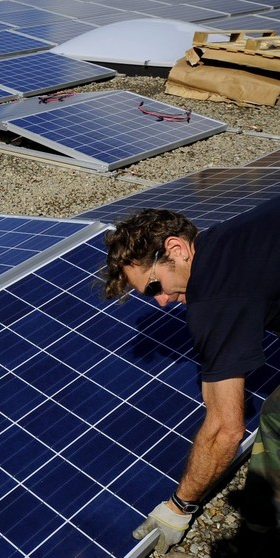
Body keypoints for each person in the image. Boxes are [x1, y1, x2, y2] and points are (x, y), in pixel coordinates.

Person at [102, 199, 280, 555]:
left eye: (154, 287)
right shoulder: (233, 235)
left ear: (177, 248)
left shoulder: (214, 296)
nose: (162, 301)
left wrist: (179, 506)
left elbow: (225, 431)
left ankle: (263, 523)